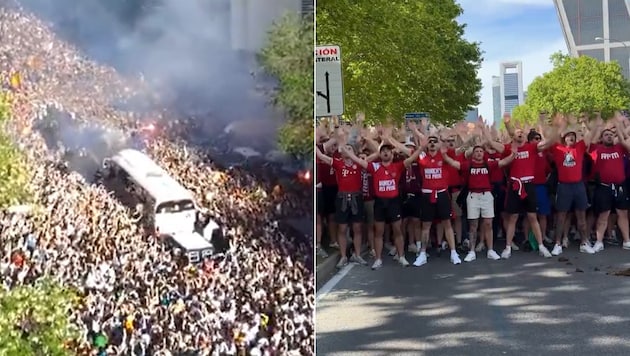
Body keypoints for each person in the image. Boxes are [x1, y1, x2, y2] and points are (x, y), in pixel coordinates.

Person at [343, 136, 422, 269]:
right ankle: (378, 259)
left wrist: (422, 147)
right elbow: (357, 160)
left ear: (392, 154)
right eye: (383, 151)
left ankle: (401, 256)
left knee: (397, 230)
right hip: (380, 202)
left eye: (388, 151)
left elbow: (413, 158)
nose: (385, 152)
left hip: (394, 202)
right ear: (380, 154)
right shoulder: (374, 166)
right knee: (378, 231)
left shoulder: (398, 166)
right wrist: (346, 149)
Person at [442, 130, 516, 262]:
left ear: (484, 153)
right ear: (473, 154)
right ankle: (471, 251)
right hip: (472, 196)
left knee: (488, 223)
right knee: (473, 224)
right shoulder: (468, 164)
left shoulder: (489, 164)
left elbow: (504, 162)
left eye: (481, 151)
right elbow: (455, 164)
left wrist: (513, 154)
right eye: (476, 151)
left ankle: (491, 250)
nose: (478, 153)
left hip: (487, 195)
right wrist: (445, 156)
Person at [501, 113, 558, 259]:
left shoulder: (532, 147)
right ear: (514, 136)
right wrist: (507, 123)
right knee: (513, 217)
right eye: (517, 133)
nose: (520, 134)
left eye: (522, 132)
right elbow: (504, 137)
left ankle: (541, 246)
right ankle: (508, 247)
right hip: (515, 185)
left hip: (529, 185)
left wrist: (554, 127)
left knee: (533, 216)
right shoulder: (509, 149)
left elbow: (549, 142)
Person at [316, 141, 368, 268]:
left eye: (350, 148)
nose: (347, 150)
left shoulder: (359, 163)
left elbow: (376, 154)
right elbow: (321, 156)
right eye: (345, 148)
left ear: (354, 152)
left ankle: (357, 254)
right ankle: (343, 256)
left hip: (356, 197)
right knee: (342, 228)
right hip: (342, 197)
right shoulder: (338, 163)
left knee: (357, 228)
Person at [589, 113, 630, 251]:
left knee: (622, 214)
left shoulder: (619, 148)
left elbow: (625, 139)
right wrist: (598, 124)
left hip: (620, 186)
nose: (609, 136)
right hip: (604, 187)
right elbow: (591, 141)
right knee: (603, 215)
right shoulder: (596, 149)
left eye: (611, 135)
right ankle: (599, 242)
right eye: (606, 134)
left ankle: (627, 241)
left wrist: (618, 124)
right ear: (602, 137)